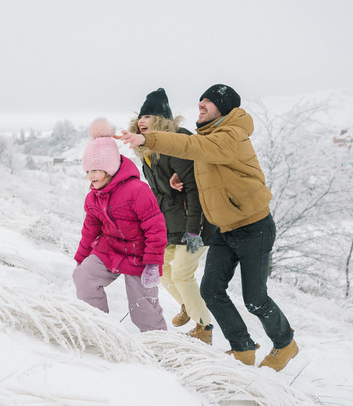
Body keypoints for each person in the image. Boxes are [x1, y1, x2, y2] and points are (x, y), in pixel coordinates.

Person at [115, 84, 298, 371]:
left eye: (209, 102)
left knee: (255, 300)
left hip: (254, 227)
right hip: (225, 228)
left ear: (224, 109)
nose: (201, 104)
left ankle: (285, 342)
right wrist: (177, 184)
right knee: (211, 291)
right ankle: (242, 347)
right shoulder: (209, 136)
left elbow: (193, 147)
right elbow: (201, 168)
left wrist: (148, 138)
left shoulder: (231, 136)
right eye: (200, 100)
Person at [128, 88, 216, 344]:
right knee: (160, 270)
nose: (142, 121)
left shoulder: (176, 145)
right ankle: (189, 306)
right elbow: (163, 192)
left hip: (195, 223)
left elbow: (195, 191)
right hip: (170, 223)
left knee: (181, 275)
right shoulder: (149, 152)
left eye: (149, 116)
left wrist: (193, 232)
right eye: (140, 117)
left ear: (162, 120)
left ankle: (204, 326)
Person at [73, 117, 168, 332]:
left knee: (144, 312)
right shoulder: (93, 197)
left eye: (96, 170)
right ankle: (99, 329)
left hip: (140, 255)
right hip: (110, 250)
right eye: (88, 171)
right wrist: (81, 259)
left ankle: (161, 347)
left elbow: (156, 228)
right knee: (84, 277)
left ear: (110, 168)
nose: (91, 176)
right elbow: (90, 230)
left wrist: (153, 264)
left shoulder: (137, 190)